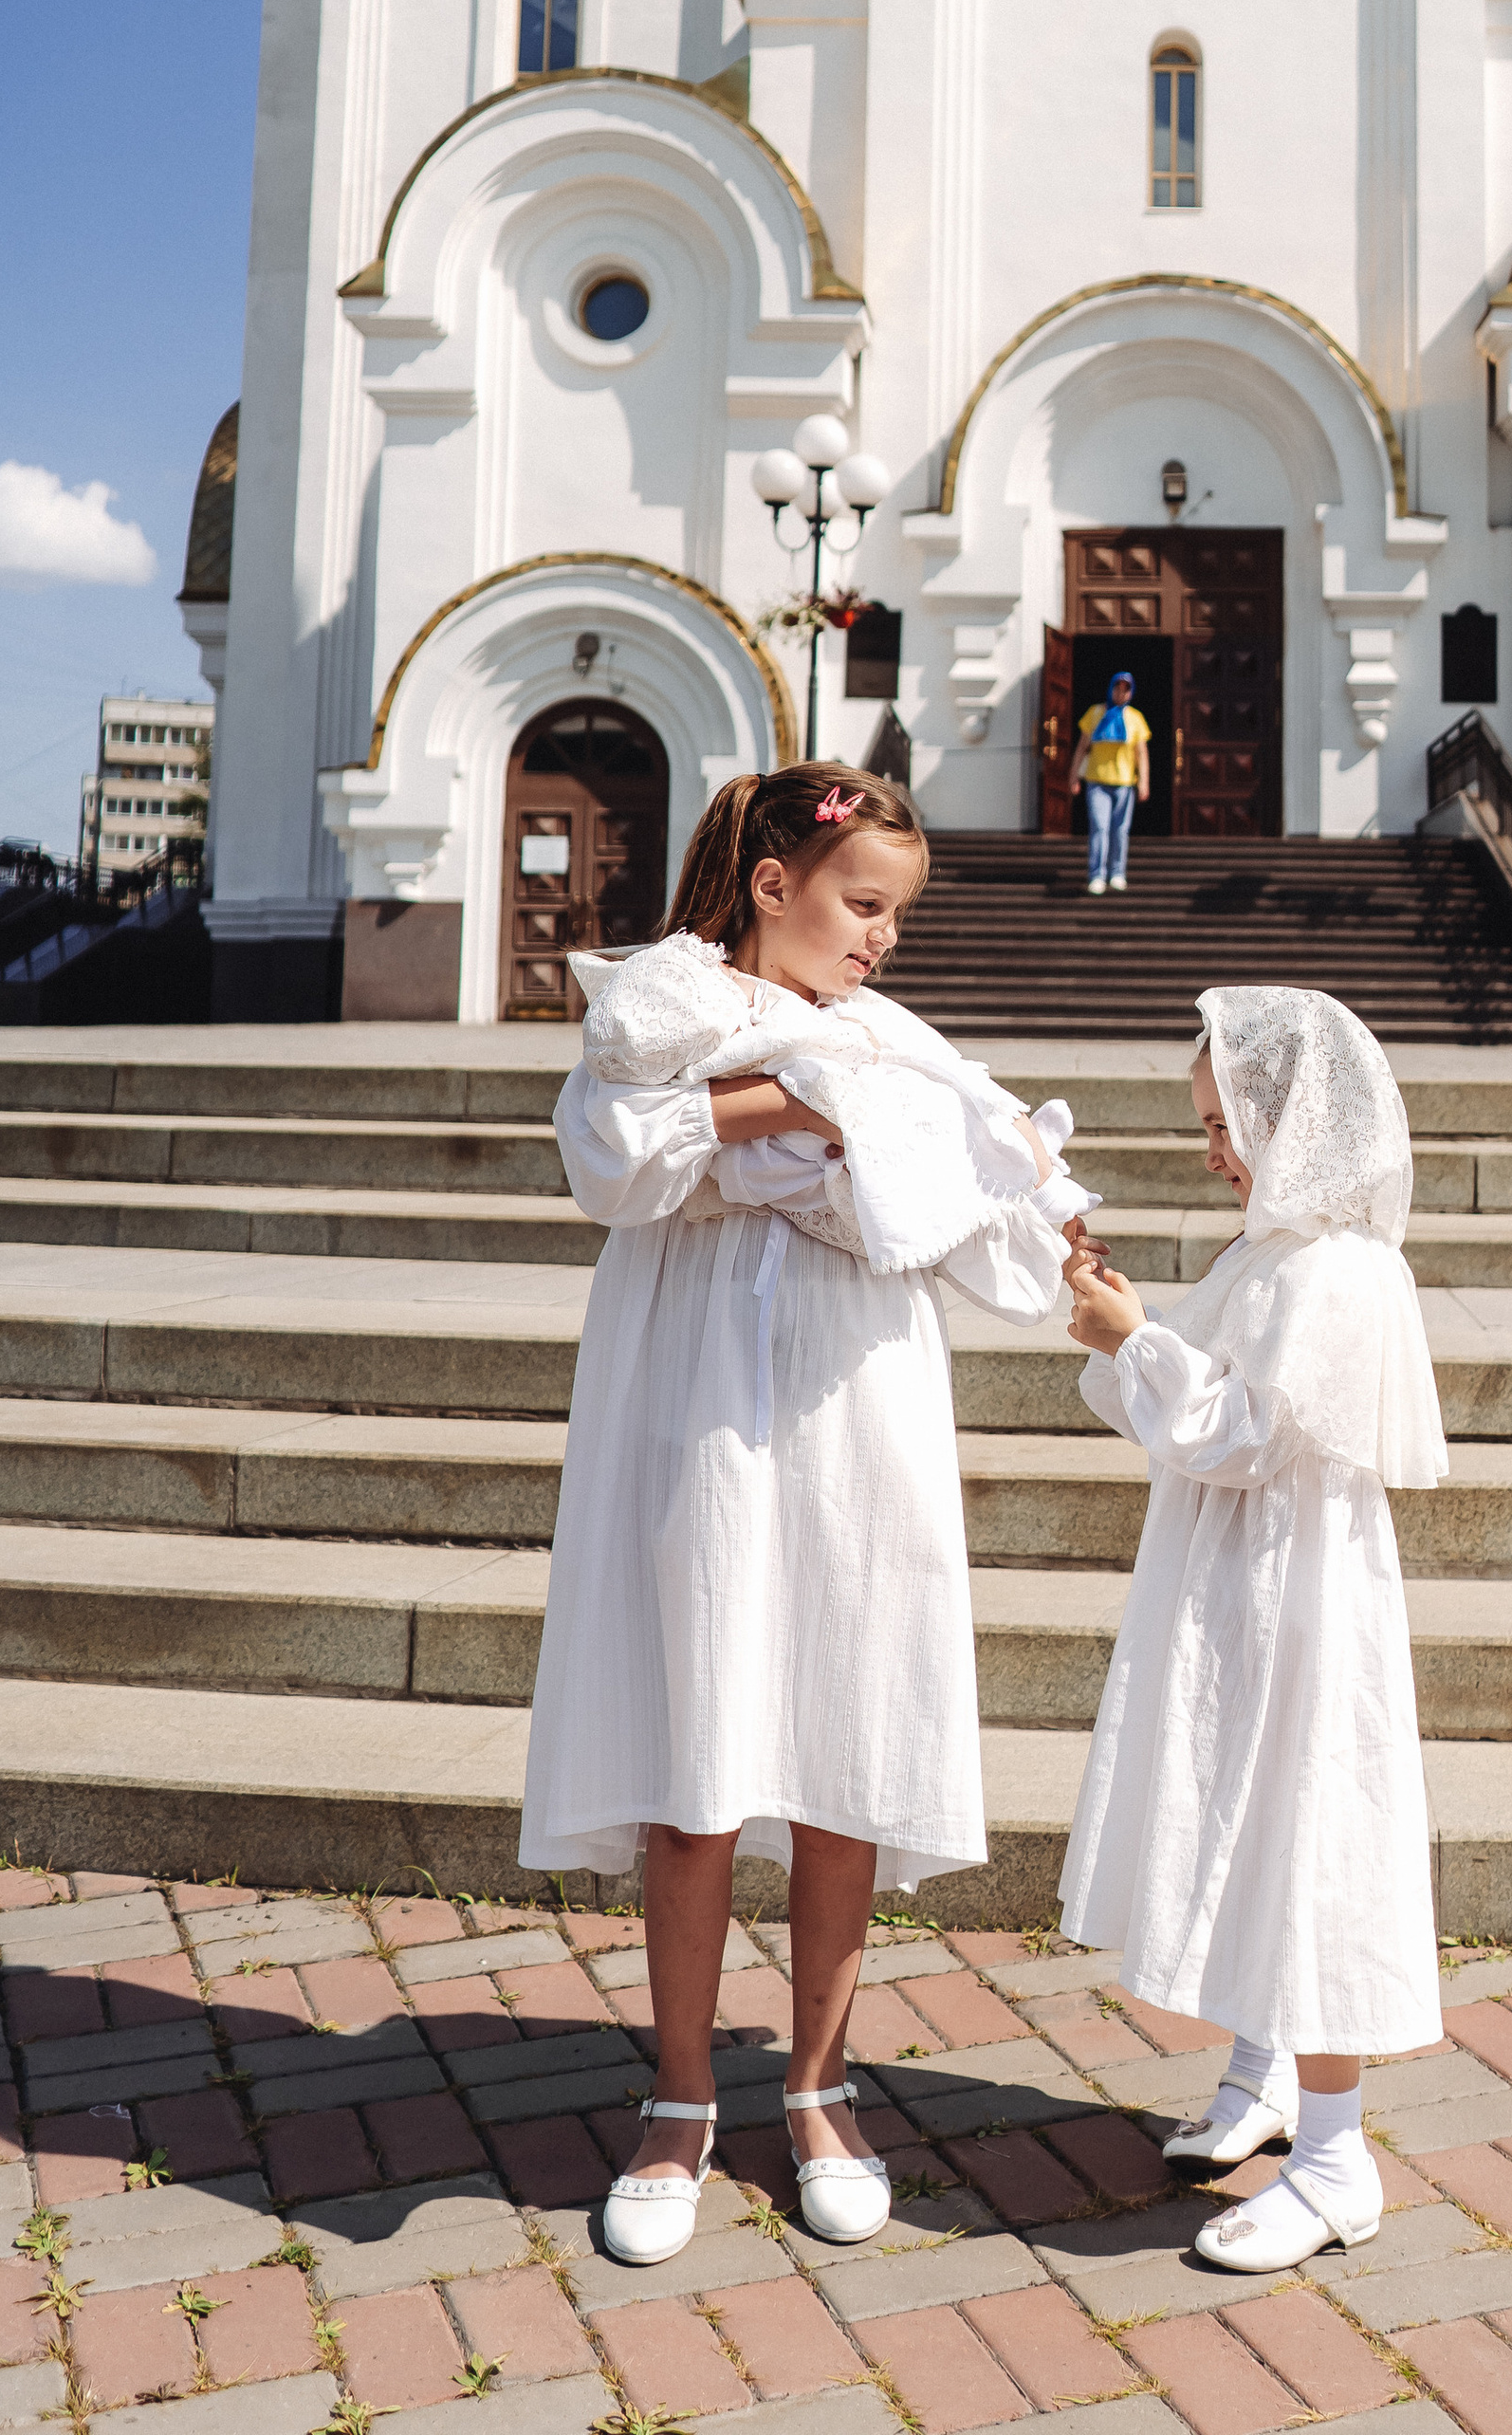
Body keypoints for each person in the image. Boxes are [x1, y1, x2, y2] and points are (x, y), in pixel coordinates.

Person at [518, 762, 1095, 2269]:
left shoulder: (893, 1038)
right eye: (862, 904)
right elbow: (619, 1155)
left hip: (858, 1387)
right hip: (691, 1380)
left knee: (848, 1719)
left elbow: (992, 1196)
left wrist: (826, 1121)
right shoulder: (663, 1000)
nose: (883, 940)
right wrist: (816, 1104)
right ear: (772, 882)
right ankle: (681, 2094)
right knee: (697, 1739)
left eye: (898, 914)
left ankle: (824, 2084)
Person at [1057, 985, 1446, 2274]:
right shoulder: (1270, 1257)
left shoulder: (1336, 1271)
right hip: (1241, 1576)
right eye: (1209, 1126)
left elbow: (1243, 1431)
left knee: (1301, 1819)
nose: (1218, 1151)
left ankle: (1337, 2158)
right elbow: (1199, 1404)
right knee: (1242, 1798)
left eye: (1231, 1124)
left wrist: (1138, 1345)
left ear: (1298, 1123)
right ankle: (1268, 2062)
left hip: (1299, 1591)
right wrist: (1131, 1341)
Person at [1070, 668, 1152, 892]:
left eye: (1126, 690)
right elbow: (1082, 748)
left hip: (1124, 782)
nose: (1121, 693)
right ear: (1111, 688)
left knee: (1120, 830)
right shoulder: (1095, 713)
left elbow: (1141, 753)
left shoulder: (1135, 718)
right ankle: (1097, 874)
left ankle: (1117, 872)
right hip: (1097, 780)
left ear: (1131, 693)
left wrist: (1144, 781)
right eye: (1118, 688)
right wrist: (1073, 775)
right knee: (1099, 826)